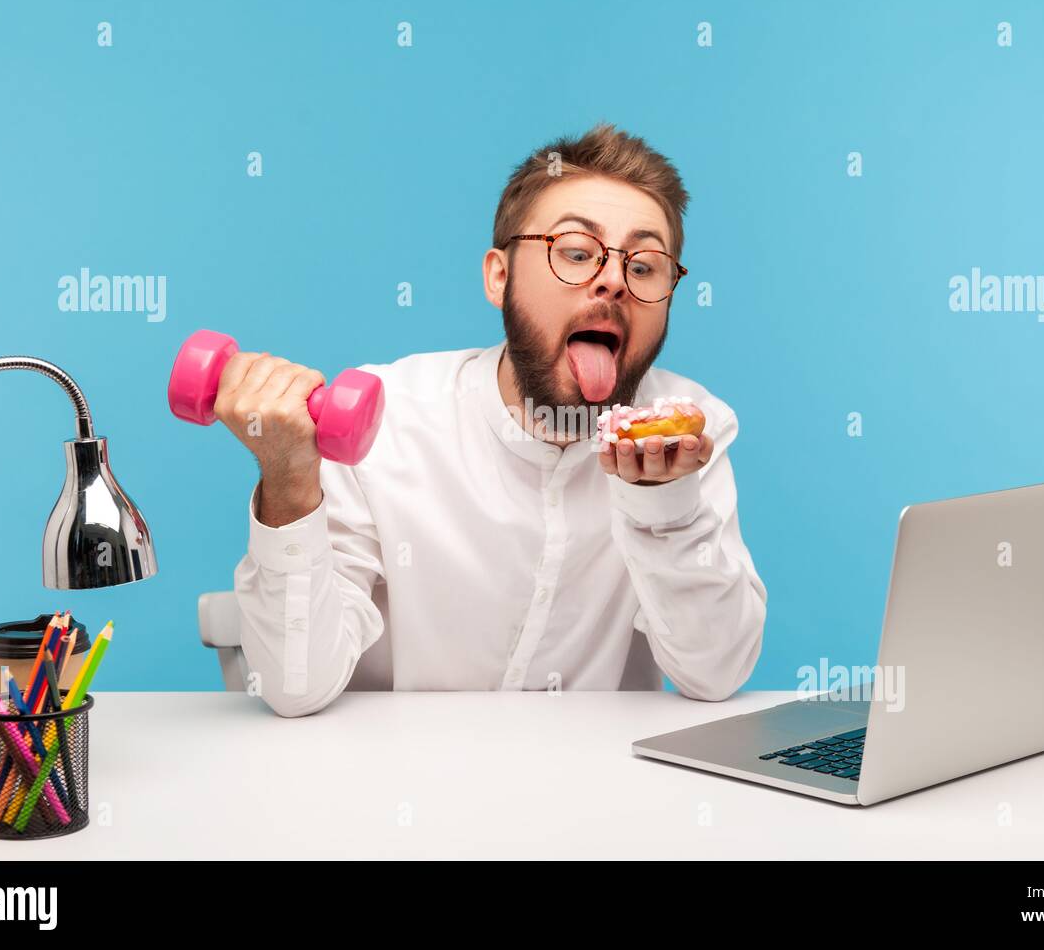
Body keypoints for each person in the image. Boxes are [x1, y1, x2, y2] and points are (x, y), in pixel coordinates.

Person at [227, 122, 767, 716]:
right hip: (394, 786)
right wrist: (290, 482)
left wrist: (667, 508)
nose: (614, 280)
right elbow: (295, 684)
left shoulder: (692, 435)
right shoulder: (387, 422)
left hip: (598, 794)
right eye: (577, 253)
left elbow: (714, 673)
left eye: (644, 266)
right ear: (499, 276)